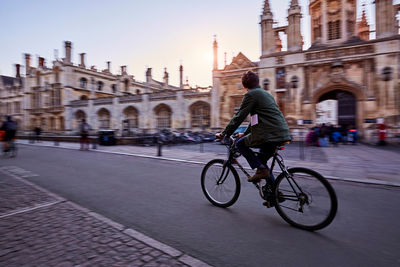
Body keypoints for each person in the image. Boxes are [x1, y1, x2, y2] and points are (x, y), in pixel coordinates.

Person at [216, 71, 291, 183]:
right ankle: (273, 195)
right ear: (257, 82)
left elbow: (239, 116)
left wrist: (224, 133)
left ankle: (261, 170)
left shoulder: (251, 94)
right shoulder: (266, 94)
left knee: (239, 144)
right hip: (282, 133)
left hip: (268, 134)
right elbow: (255, 120)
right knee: (262, 162)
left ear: (244, 85)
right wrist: (245, 134)